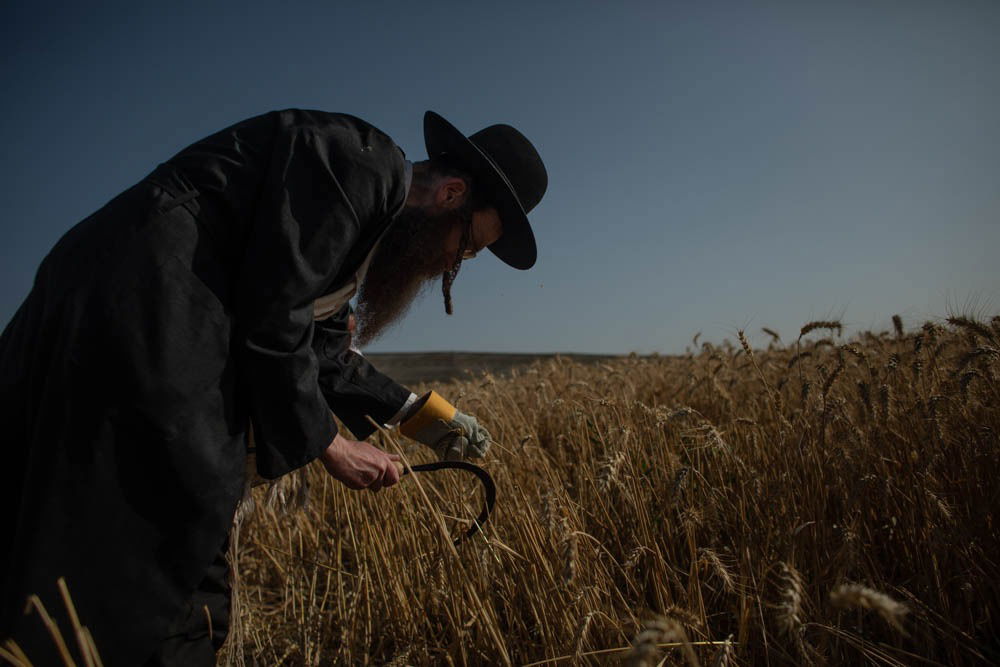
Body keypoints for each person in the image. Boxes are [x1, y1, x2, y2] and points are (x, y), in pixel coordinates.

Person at [0, 109, 547, 665]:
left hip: (132, 322)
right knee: (166, 543)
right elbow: (274, 313)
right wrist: (330, 445)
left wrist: (424, 416)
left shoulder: (355, 231)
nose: (450, 267)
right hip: (140, 313)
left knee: (84, 539)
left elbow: (324, 350)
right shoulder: (358, 163)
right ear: (452, 194)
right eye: (467, 248)